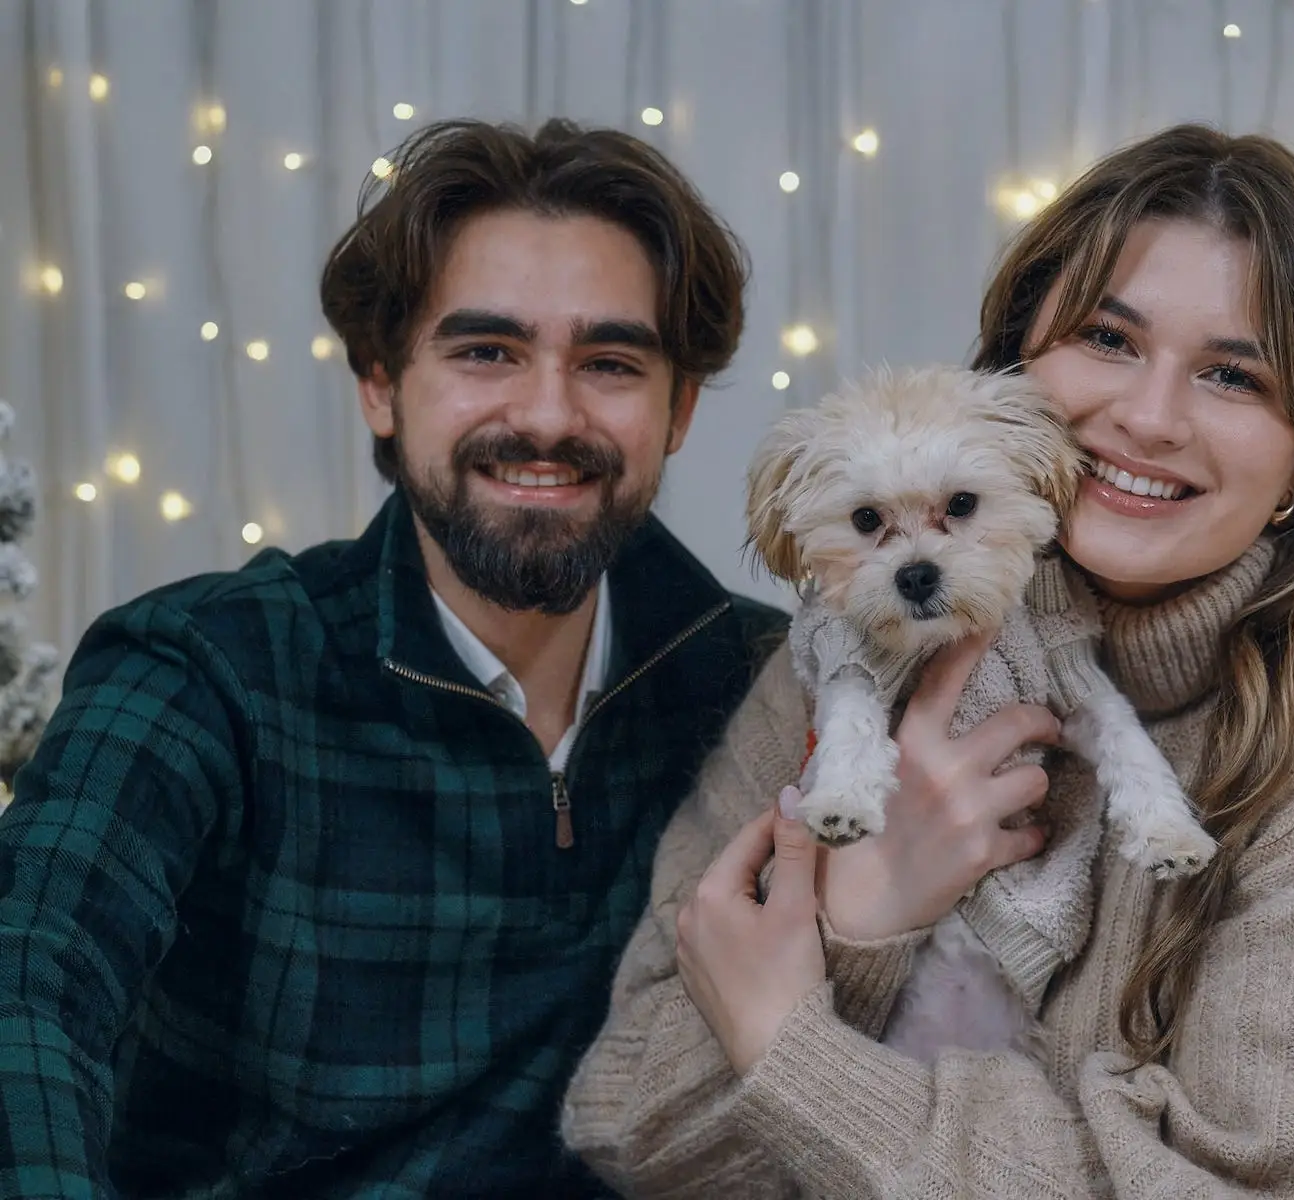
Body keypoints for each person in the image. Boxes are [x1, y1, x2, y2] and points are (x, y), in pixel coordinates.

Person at [561, 124, 1294, 1197]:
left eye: (1232, 378)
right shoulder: (849, 660)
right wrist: (863, 918)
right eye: (1108, 340)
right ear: (1015, 372)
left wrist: (794, 1033)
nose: (1147, 418)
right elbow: (633, 1124)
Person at [0, 117, 786, 1196]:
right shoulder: (204, 669)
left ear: (678, 409)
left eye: (609, 363)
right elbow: (32, 977)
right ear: (381, 383)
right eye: (485, 352)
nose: (548, 416)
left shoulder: (766, 683)